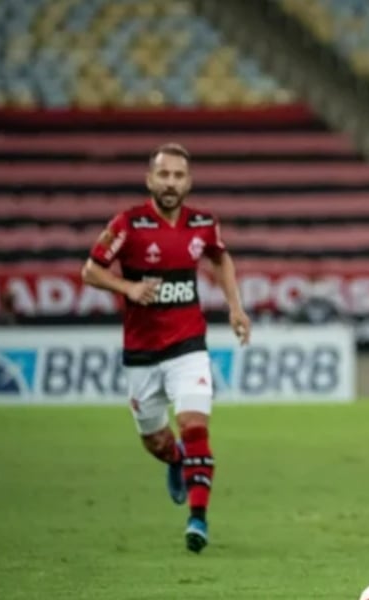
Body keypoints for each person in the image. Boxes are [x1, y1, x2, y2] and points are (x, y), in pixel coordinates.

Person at [81, 143, 250, 553]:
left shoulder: (203, 223)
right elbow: (90, 270)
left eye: (178, 175)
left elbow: (220, 259)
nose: (171, 182)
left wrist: (235, 306)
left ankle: (198, 519)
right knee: (156, 441)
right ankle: (175, 460)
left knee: (194, 425)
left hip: (188, 345)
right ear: (150, 180)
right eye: (164, 175)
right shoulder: (128, 224)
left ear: (188, 182)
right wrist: (128, 287)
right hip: (141, 353)